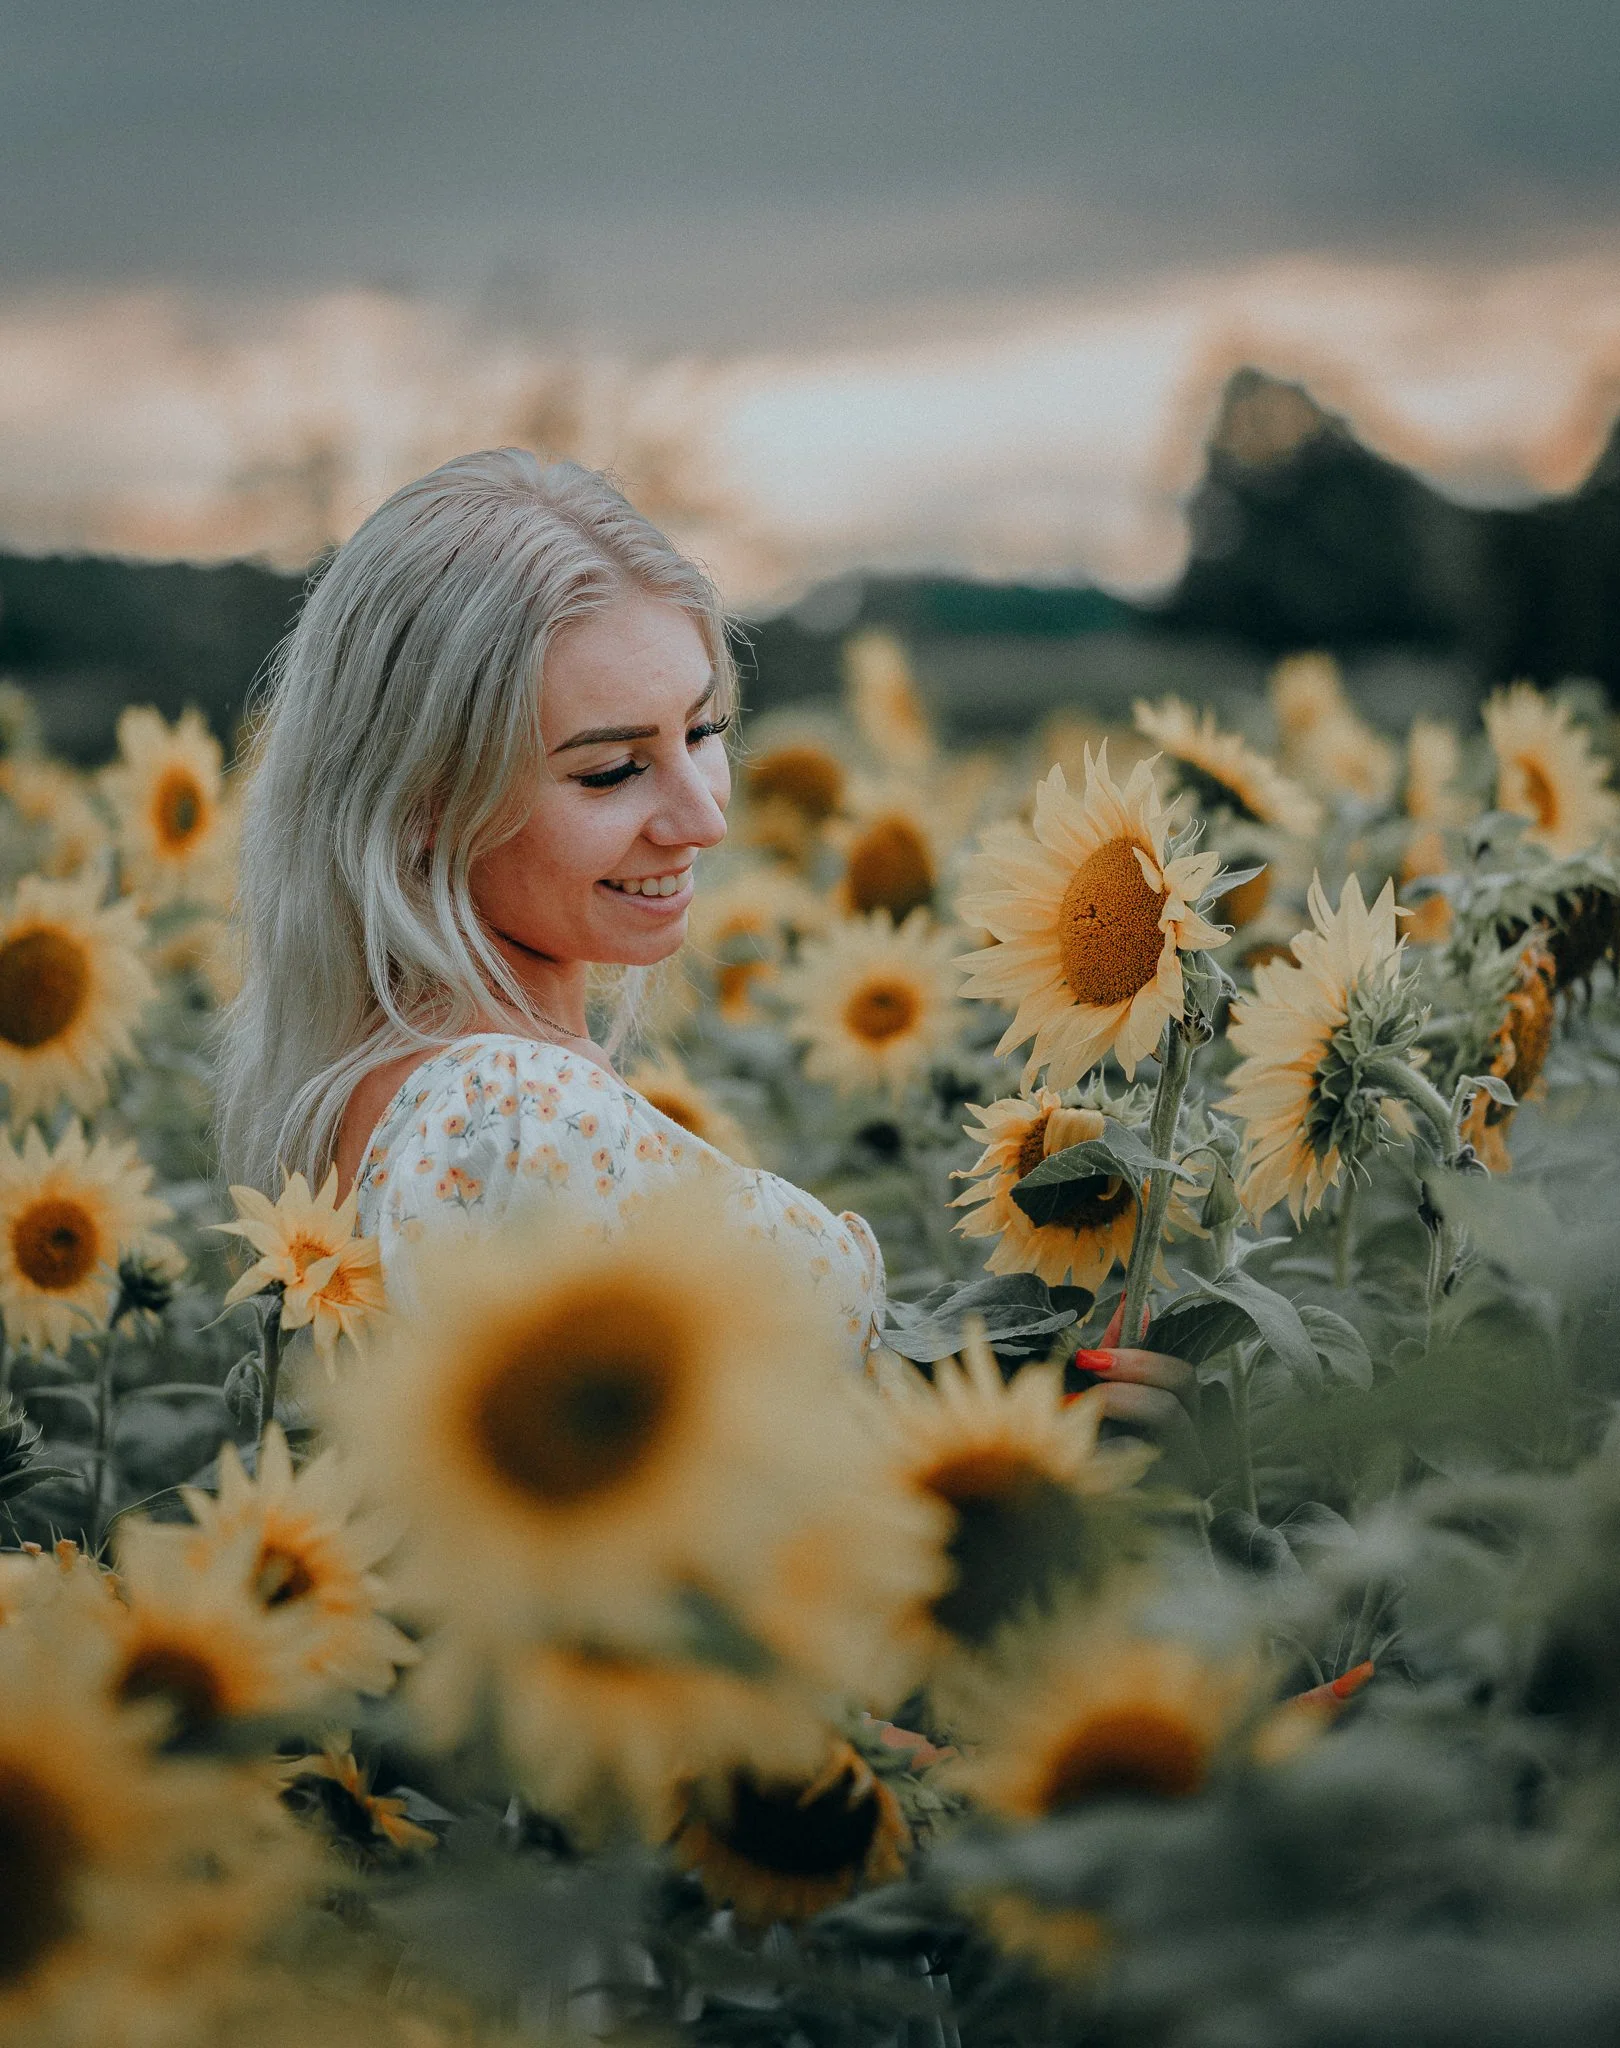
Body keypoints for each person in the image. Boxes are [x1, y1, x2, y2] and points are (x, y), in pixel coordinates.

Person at [217, 450, 1198, 1442]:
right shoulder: (508, 1112)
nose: (701, 817)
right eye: (609, 770)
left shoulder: (387, 1094)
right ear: (422, 805)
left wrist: (1003, 1405)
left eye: (702, 730)